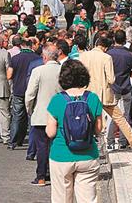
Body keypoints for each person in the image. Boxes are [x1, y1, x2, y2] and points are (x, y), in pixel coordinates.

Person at [46, 59, 103, 202]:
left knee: (62, 198)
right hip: (88, 155)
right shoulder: (93, 98)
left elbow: (50, 132)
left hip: (61, 155)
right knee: (88, 198)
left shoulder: (57, 100)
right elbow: (98, 129)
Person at [81, 36, 132, 150]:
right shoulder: (106, 57)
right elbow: (111, 79)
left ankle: (86, 144)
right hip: (104, 94)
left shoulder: (83, 56)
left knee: (88, 119)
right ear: (105, 47)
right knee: (120, 118)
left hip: (87, 94)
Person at [26, 44, 62, 186]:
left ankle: (41, 176)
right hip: (58, 114)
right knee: (56, 146)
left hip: (40, 114)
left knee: (41, 147)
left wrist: (30, 110)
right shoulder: (63, 70)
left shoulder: (38, 71)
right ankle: (55, 175)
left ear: (44, 56)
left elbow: (29, 94)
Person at [8, 34, 41, 149]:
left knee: (17, 116)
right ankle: (32, 143)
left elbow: (9, 75)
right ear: (31, 46)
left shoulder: (15, 58)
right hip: (32, 91)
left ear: (21, 46)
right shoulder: (37, 59)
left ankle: (13, 141)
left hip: (18, 90)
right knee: (31, 117)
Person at [106, 31, 132, 150]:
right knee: (125, 116)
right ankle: (123, 140)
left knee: (112, 115)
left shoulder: (109, 54)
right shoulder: (129, 55)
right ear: (124, 40)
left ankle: (110, 140)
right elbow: (131, 72)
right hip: (126, 86)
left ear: (114, 39)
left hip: (113, 88)